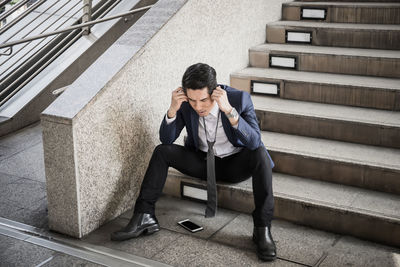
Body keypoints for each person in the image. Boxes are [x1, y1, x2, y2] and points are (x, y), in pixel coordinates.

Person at [111, 63, 276, 261]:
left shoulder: (239, 99)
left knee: (260, 153)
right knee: (162, 151)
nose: (198, 107)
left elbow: (254, 141)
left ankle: (262, 228)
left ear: (215, 92)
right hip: (203, 162)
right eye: (192, 100)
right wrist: (173, 109)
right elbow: (167, 139)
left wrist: (229, 111)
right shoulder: (186, 105)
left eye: (203, 100)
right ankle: (144, 216)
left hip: (235, 164)